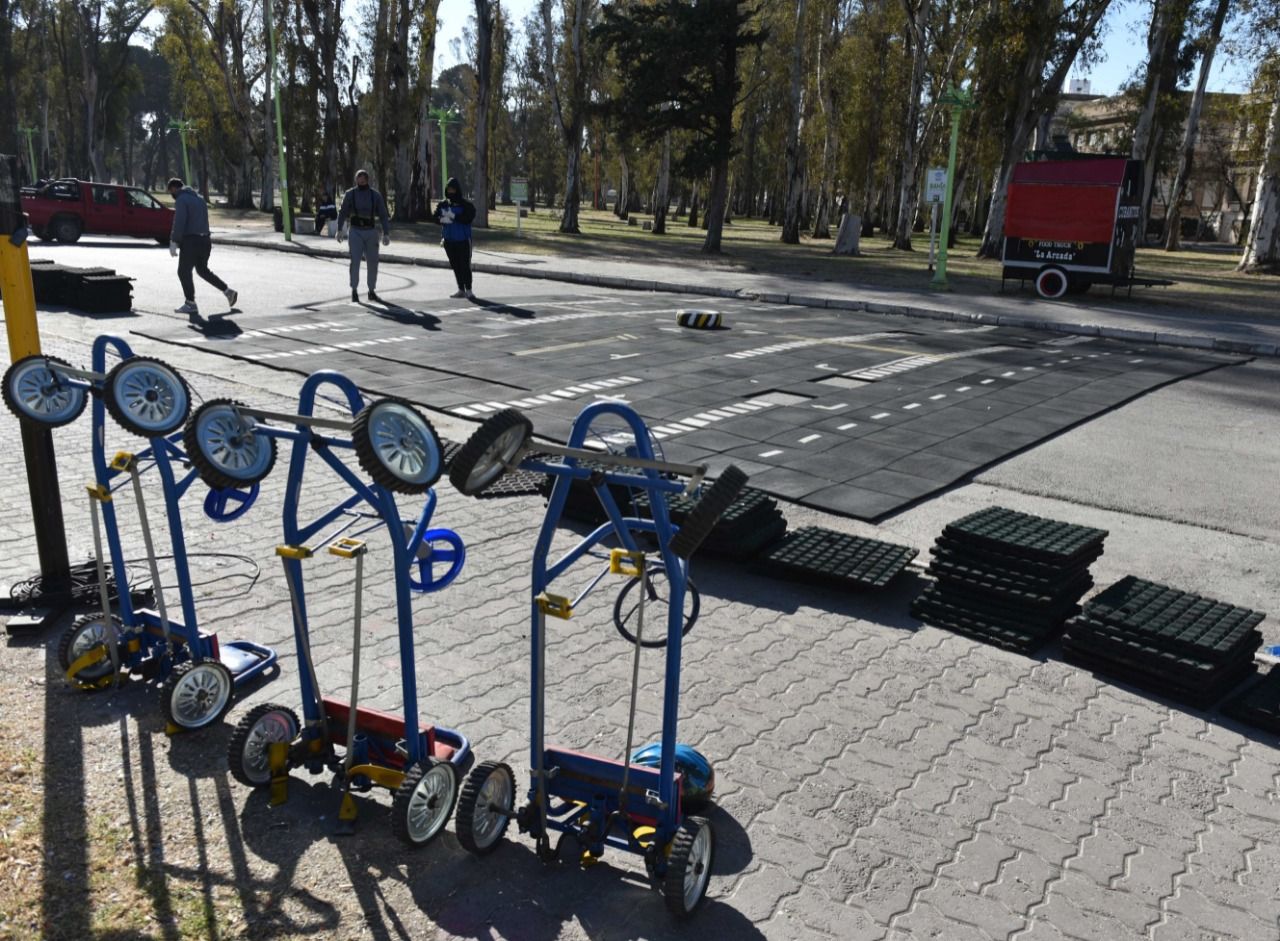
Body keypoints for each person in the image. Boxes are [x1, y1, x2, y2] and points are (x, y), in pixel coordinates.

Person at [167, 178, 237, 316]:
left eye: (170, 191)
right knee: (202, 270)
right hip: (205, 240)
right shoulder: (200, 199)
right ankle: (228, 291)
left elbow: (179, 221)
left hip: (191, 241)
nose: (171, 195)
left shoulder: (181, 199)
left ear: (174, 188)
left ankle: (190, 303)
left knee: (183, 272)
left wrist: (174, 241)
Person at [336, 169, 391, 303]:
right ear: (356, 180)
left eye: (363, 181)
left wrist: (386, 233)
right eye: (358, 180)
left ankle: (371, 290)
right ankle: (354, 290)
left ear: (367, 180)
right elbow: (342, 212)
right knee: (355, 262)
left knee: (373, 263)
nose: (361, 183)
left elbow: (383, 214)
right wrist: (339, 229)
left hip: (371, 232)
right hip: (355, 231)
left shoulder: (375, 195)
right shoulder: (350, 194)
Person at [432, 177, 476, 299]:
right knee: (455, 265)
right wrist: (442, 220)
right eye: (449, 189)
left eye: (453, 189)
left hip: (463, 241)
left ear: (457, 190)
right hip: (448, 241)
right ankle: (461, 289)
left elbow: (468, 218)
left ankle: (469, 290)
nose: (451, 192)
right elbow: (434, 217)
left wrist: (454, 216)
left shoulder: (466, 205)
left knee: (465, 266)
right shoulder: (443, 204)